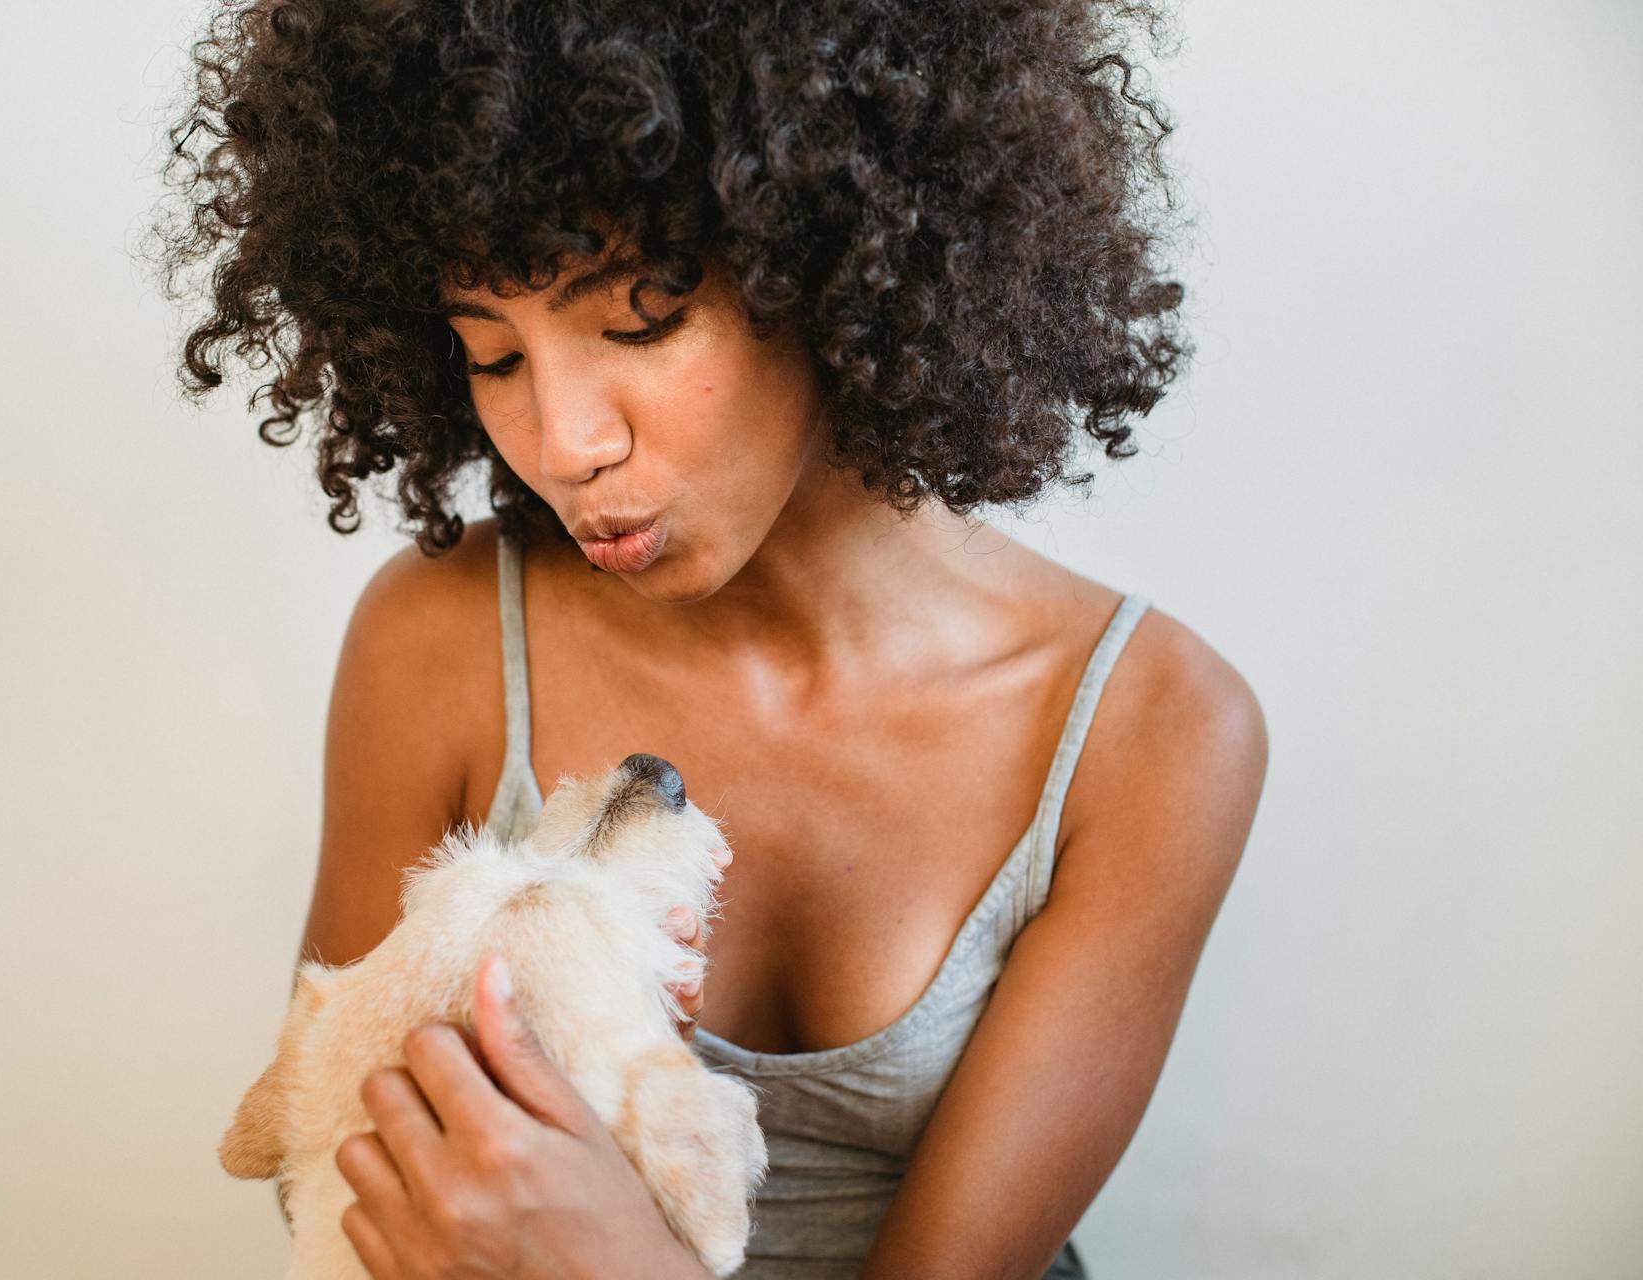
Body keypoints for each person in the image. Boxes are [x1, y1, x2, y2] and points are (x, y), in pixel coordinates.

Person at [150, 0, 1268, 1275]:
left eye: (638, 320)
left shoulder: (1152, 731)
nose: (566, 441)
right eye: (492, 353)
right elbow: (338, 1164)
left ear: (838, 259)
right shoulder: (443, 642)